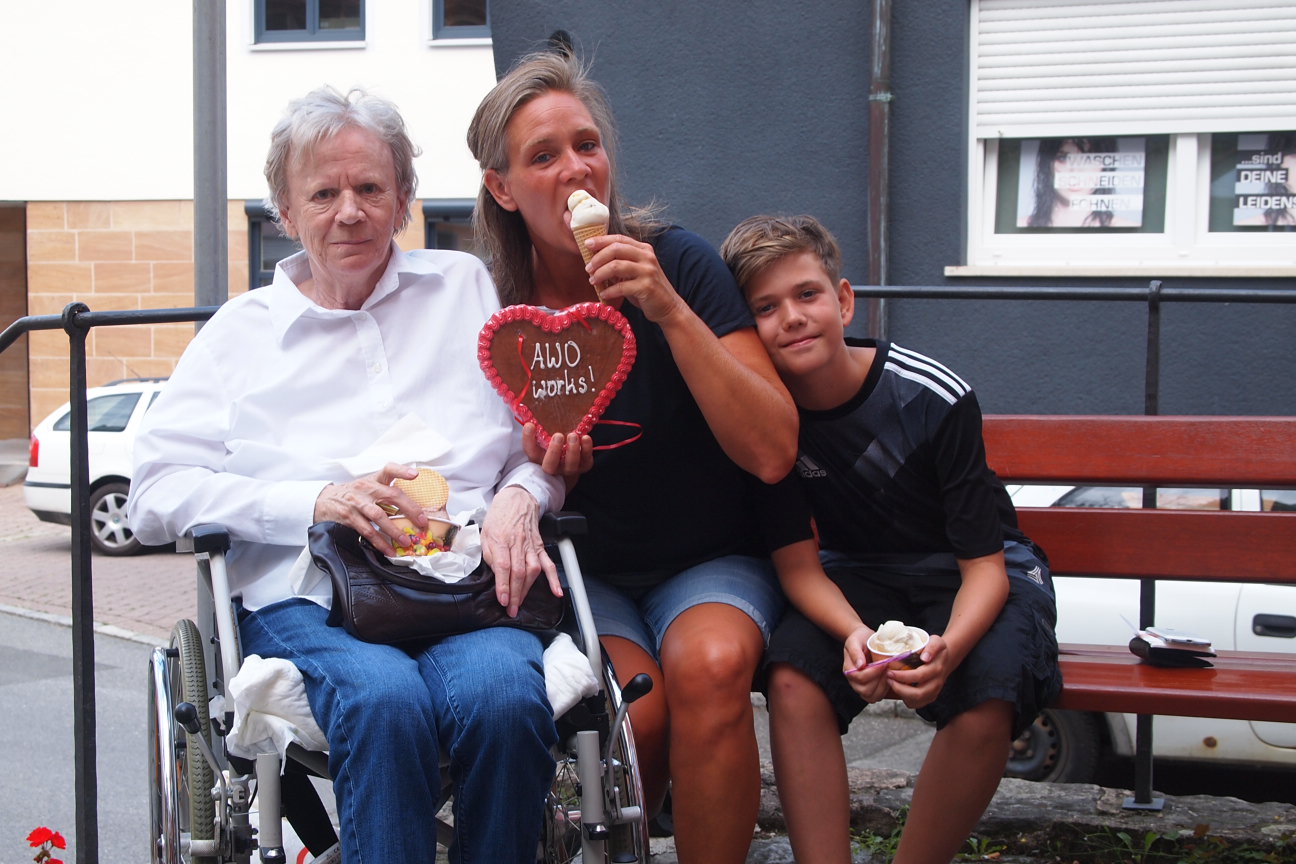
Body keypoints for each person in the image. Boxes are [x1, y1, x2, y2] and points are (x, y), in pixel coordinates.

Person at [128, 85, 565, 864]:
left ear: (403, 199)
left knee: (501, 700)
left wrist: (521, 498)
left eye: (370, 188)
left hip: (460, 577)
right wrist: (314, 501)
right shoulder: (240, 336)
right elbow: (155, 494)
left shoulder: (462, 289)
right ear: (286, 213)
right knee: (384, 700)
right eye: (323, 193)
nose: (350, 211)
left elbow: (533, 449)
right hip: (306, 592)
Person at [466, 49, 799, 864]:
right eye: (544, 156)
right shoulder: (500, 314)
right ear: (503, 189)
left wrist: (668, 309)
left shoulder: (676, 263)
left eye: (587, 144)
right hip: (590, 570)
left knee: (713, 668)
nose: (577, 168)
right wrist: (545, 469)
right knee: (633, 711)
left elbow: (771, 448)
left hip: (709, 556)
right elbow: (491, 467)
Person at [720, 214, 1063, 864]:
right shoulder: (768, 421)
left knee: (989, 695)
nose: (791, 317)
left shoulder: (931, 396)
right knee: (793, 677)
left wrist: (948, 651)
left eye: (807, 295)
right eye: (765, 307)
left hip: (980, 576)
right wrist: (852, 633)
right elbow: (798, 567)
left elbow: (985, 568)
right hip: (860, 575)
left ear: (843, 300)